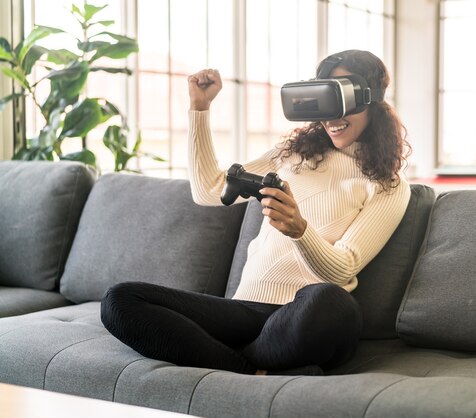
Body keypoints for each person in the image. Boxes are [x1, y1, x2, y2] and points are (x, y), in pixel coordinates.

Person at [100, 49, 412, 376]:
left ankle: (236, 359)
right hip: (244, 313)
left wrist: (299, 230)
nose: (332, 116)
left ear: (371, 100)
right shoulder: (293, 153)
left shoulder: (388, 184)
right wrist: (199, 108)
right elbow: (209, 190)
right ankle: (248, 369)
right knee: (120, 301)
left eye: (341, 97)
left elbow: (343, 268)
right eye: (324, 99)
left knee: (331, 301)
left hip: (304, 317)